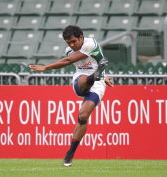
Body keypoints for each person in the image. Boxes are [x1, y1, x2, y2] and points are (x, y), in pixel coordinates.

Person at [29, 25, 114, 167]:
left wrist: (46, 67)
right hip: (80, 78)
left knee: (83, 116)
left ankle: (69, 154)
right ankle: (94, 76)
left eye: (74, 41)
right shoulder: (69, 50)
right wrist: (101, 76)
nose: (72, 45)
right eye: (68, 43)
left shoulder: (90, 44)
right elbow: (72, 61)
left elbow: (68, 61)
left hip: (98, 84)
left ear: (81, 37)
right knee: (83, 81)